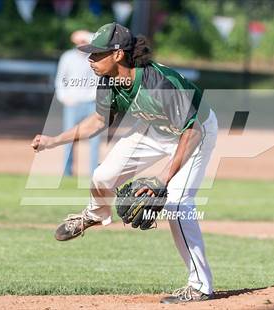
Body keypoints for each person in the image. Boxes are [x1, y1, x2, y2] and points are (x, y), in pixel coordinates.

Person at [31, 22, 218, 304]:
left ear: (118, 55)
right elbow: (97, 121)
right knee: (103, 175)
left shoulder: (158, 83)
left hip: (196, 131)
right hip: (154, 128)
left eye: (96, 54)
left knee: (177, 205)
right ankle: (95, 214)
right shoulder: (109, 81)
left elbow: (192, 131)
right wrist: (54, 141)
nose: (90, 59)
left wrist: (163, 180)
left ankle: (200, 286)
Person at [55, 30, 100, 176]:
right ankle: (67, 172)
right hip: (73, 103)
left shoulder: (96, 57)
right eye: (79, 42)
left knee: (94, 140)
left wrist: (94, 97)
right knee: (68, 139)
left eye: (85, 41)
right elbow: (60, 80)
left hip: (92, 103)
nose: (82, 44)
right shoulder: (67, 57)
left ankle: (94, 172)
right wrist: (64, 98)